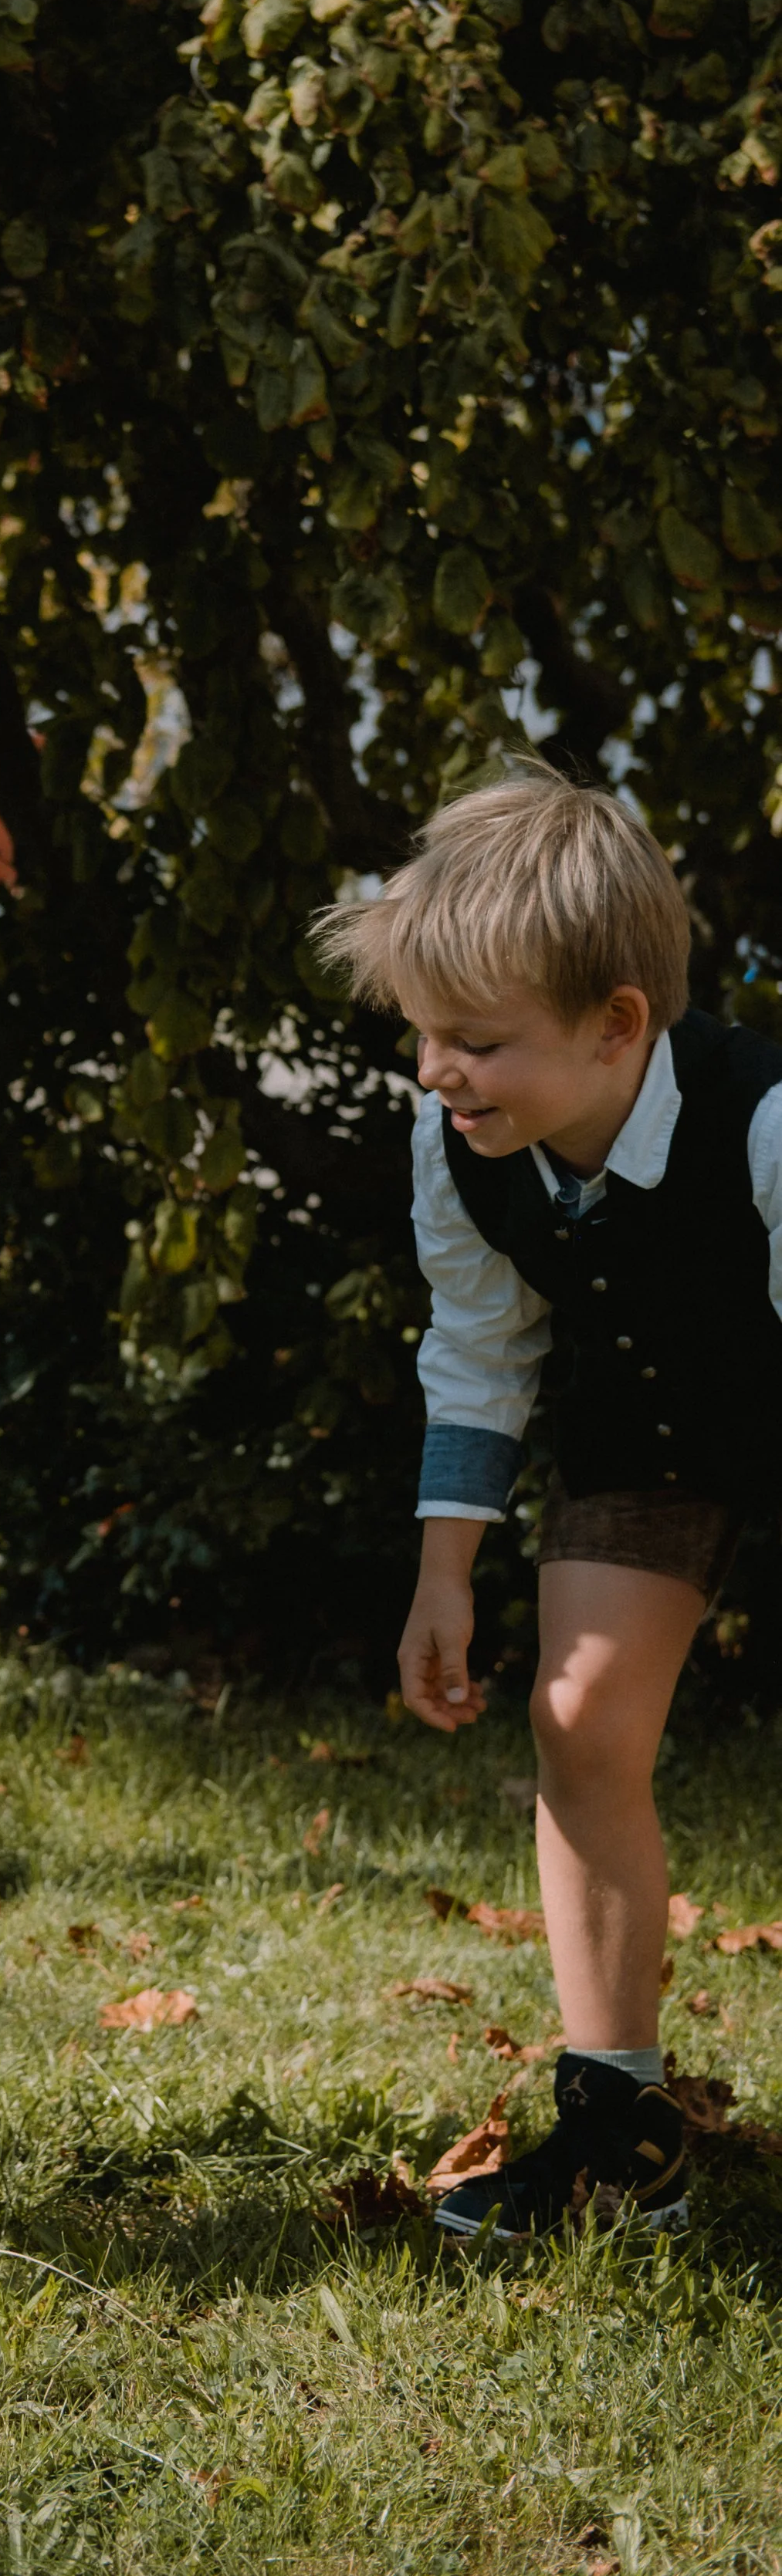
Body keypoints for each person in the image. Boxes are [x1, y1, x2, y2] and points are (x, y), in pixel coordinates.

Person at [315, 762, 782, 2241]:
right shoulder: (459, 1149)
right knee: (578, 1724)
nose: (439, 1071)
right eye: (423, 1037)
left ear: (617, 1025)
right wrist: (444, 1570)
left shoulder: (766, 1129)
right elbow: (479, 1345)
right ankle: (620, 2131)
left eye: (477, 1042)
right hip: (644, 1437)